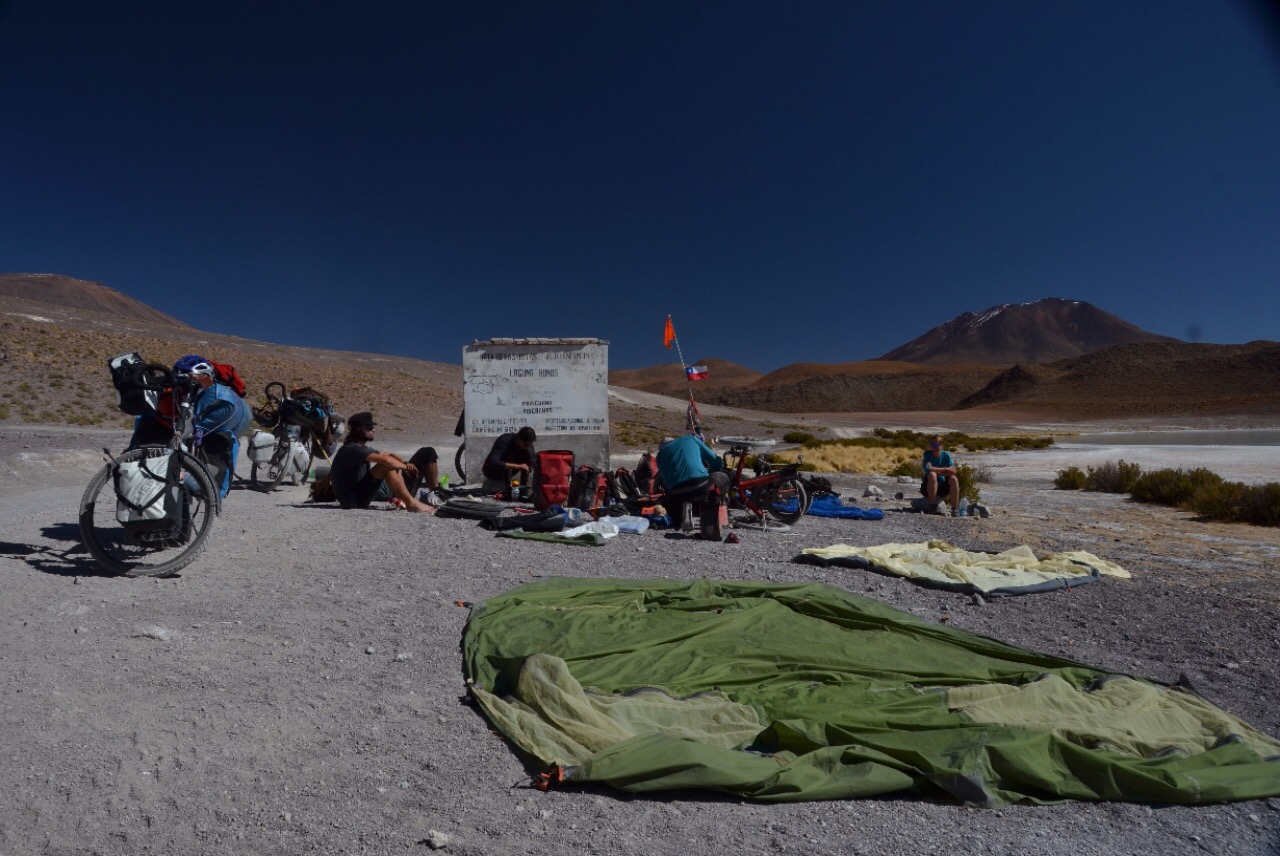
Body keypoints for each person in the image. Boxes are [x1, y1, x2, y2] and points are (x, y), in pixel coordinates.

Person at [129, 354, 251, 499]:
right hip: (221, 412)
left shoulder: (222, 401)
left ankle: (208, 490)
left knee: (214, 443)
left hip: (234, 417)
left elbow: (192, 429)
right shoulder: (188, 392)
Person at [330, 411, 437, 512]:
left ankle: (434, 495)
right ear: (358, 429)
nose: (373, 430)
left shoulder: (358, 447)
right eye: (369, 427)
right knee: (386, 465)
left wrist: (405, 463)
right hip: (353, 500)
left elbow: (388, 455)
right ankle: (411, 503)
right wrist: (406, 468)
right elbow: (387, 460)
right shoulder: (352, 449)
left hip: (358, 496)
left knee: (427, 452)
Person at [656, 433, 729, 527]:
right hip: (701, 485)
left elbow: (667, 483)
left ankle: (682, 514)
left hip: (678, 493)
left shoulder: (659, 456)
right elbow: (716, 462)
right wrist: (709, 474)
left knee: (681, 497)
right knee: (723, 479)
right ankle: (718, 513)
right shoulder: (691, 439)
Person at [481, 426, 537, 493]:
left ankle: (522, 488)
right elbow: (492, 461)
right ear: (518, 439)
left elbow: (533, 461)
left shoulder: (527, 447)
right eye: (525, 445)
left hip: (509, 471)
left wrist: (530, 466)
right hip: (493, 471)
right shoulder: (505, 440)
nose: (527, 447)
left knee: (528, 454)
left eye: (529, 445)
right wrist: (517, 466)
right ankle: (502, 486)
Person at [922, 434, 961, 515]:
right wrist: (944, 469)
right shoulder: (927, 454)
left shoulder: (946, 455)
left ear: (942, 445)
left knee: (954, 479)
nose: (935, 447)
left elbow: (952, 471)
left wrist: (938, 472)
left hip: (942, 487)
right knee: (932, 475)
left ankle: (955, 509)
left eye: (937, 444)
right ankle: (932, 506)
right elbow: (928, 468)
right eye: (932, 444)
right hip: (928, 487)